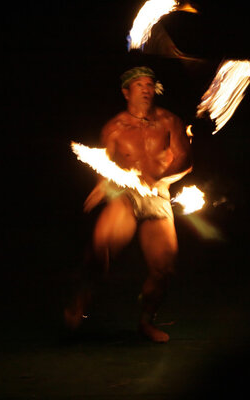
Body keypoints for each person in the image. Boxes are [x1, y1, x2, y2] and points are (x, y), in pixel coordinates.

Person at [64, 66, 193, 343]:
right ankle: (82, 297)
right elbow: (106, 163)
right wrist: (100, 186)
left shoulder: (170, 121)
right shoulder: (114, 128)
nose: (147, 89)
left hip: (158, 196)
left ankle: (146, 322)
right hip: (126, 196)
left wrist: (157, 177)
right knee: (101, 248)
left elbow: (185, 160)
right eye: (139, 85)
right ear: (126, 92)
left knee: (164, 269)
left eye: (150, 84)